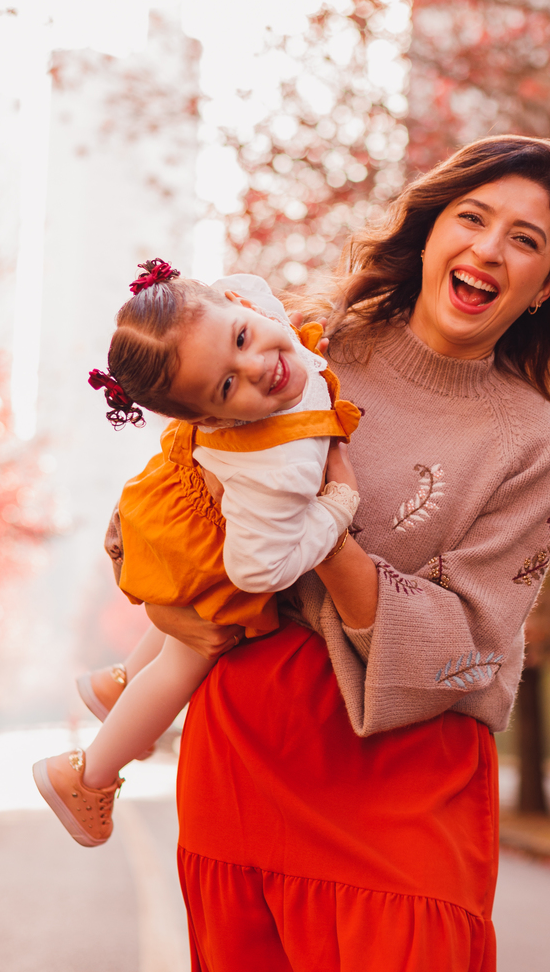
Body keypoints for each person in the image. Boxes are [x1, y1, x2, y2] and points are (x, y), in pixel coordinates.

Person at [127, 135, 550, 972]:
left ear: (547, 283)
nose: (490, 249)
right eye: (473, 219)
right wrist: (169, 594)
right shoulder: (306, 344)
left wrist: (327, 540)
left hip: (413, 782)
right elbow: (172, 507)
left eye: (525, 239)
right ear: (433, 230)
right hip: (259, 758)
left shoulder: (534, 444)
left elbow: (477, 636)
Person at [33, 260, 361, 847]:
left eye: (241, 336)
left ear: (233, 303)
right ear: (212, 417)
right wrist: (337, 508)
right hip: (210, 545)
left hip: (182, 499)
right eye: (229, 385)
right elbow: (257, 567)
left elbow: (247, 292)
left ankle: (116, 683)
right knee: (185, 660)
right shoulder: (279, 464)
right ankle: (87, 775)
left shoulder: (253, 307)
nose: (259, 364)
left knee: (181, 620)